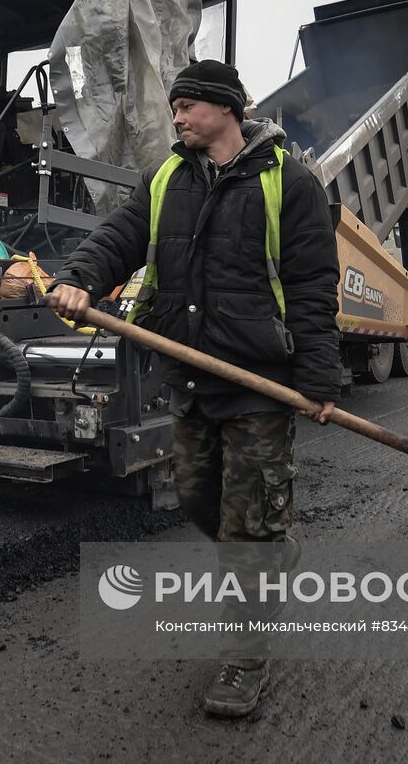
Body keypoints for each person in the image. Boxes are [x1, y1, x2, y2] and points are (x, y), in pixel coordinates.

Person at [49, 59, 342, 718]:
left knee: (246, 532)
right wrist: (81, 276)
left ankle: (244, 659)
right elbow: (122, 235)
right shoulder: (166, 178)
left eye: (188, 105)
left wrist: (320, 379)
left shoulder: (287, 182)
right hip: (190, 374)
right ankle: (273, 545)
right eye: (175, 106)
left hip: (260, 380)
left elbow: (313, 286)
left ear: (226, 109)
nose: (176, 117)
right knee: (194, 496)